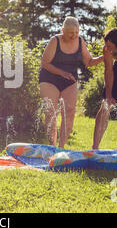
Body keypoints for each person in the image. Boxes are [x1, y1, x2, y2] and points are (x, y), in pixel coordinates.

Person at [39, 17, 103, 148]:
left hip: (70, 80)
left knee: (69, 111)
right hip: (50, 79)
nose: (74, 36)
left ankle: (61, 147)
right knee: (51, 112)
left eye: (76, 32)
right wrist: (61, 73)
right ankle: (52, 146)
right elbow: (44, 63)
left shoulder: (80, 41)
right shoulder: (55, 41)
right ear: (63, 30)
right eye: (70, 33)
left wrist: (103, 57)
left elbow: (89, 62)